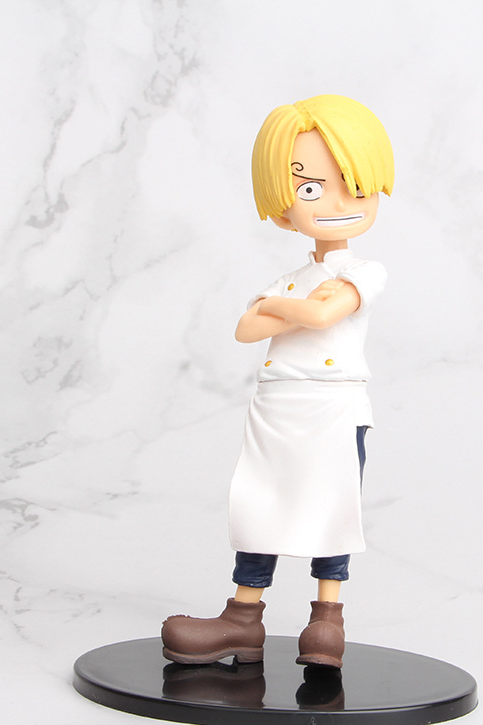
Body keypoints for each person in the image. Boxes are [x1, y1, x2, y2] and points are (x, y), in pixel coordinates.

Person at [161, 95, 394, 668]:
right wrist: (292, 306)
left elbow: (322, 314)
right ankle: (242, 618)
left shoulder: (364, 271)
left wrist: (281, 309)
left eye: (354, 185)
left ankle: (326, 621)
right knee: (258, 504)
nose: (336, 202)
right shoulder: (290, 278)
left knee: (333, 510)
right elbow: (247, 329)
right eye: (311, 189)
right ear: (284, 208)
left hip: (332, 406)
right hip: (276, 406)